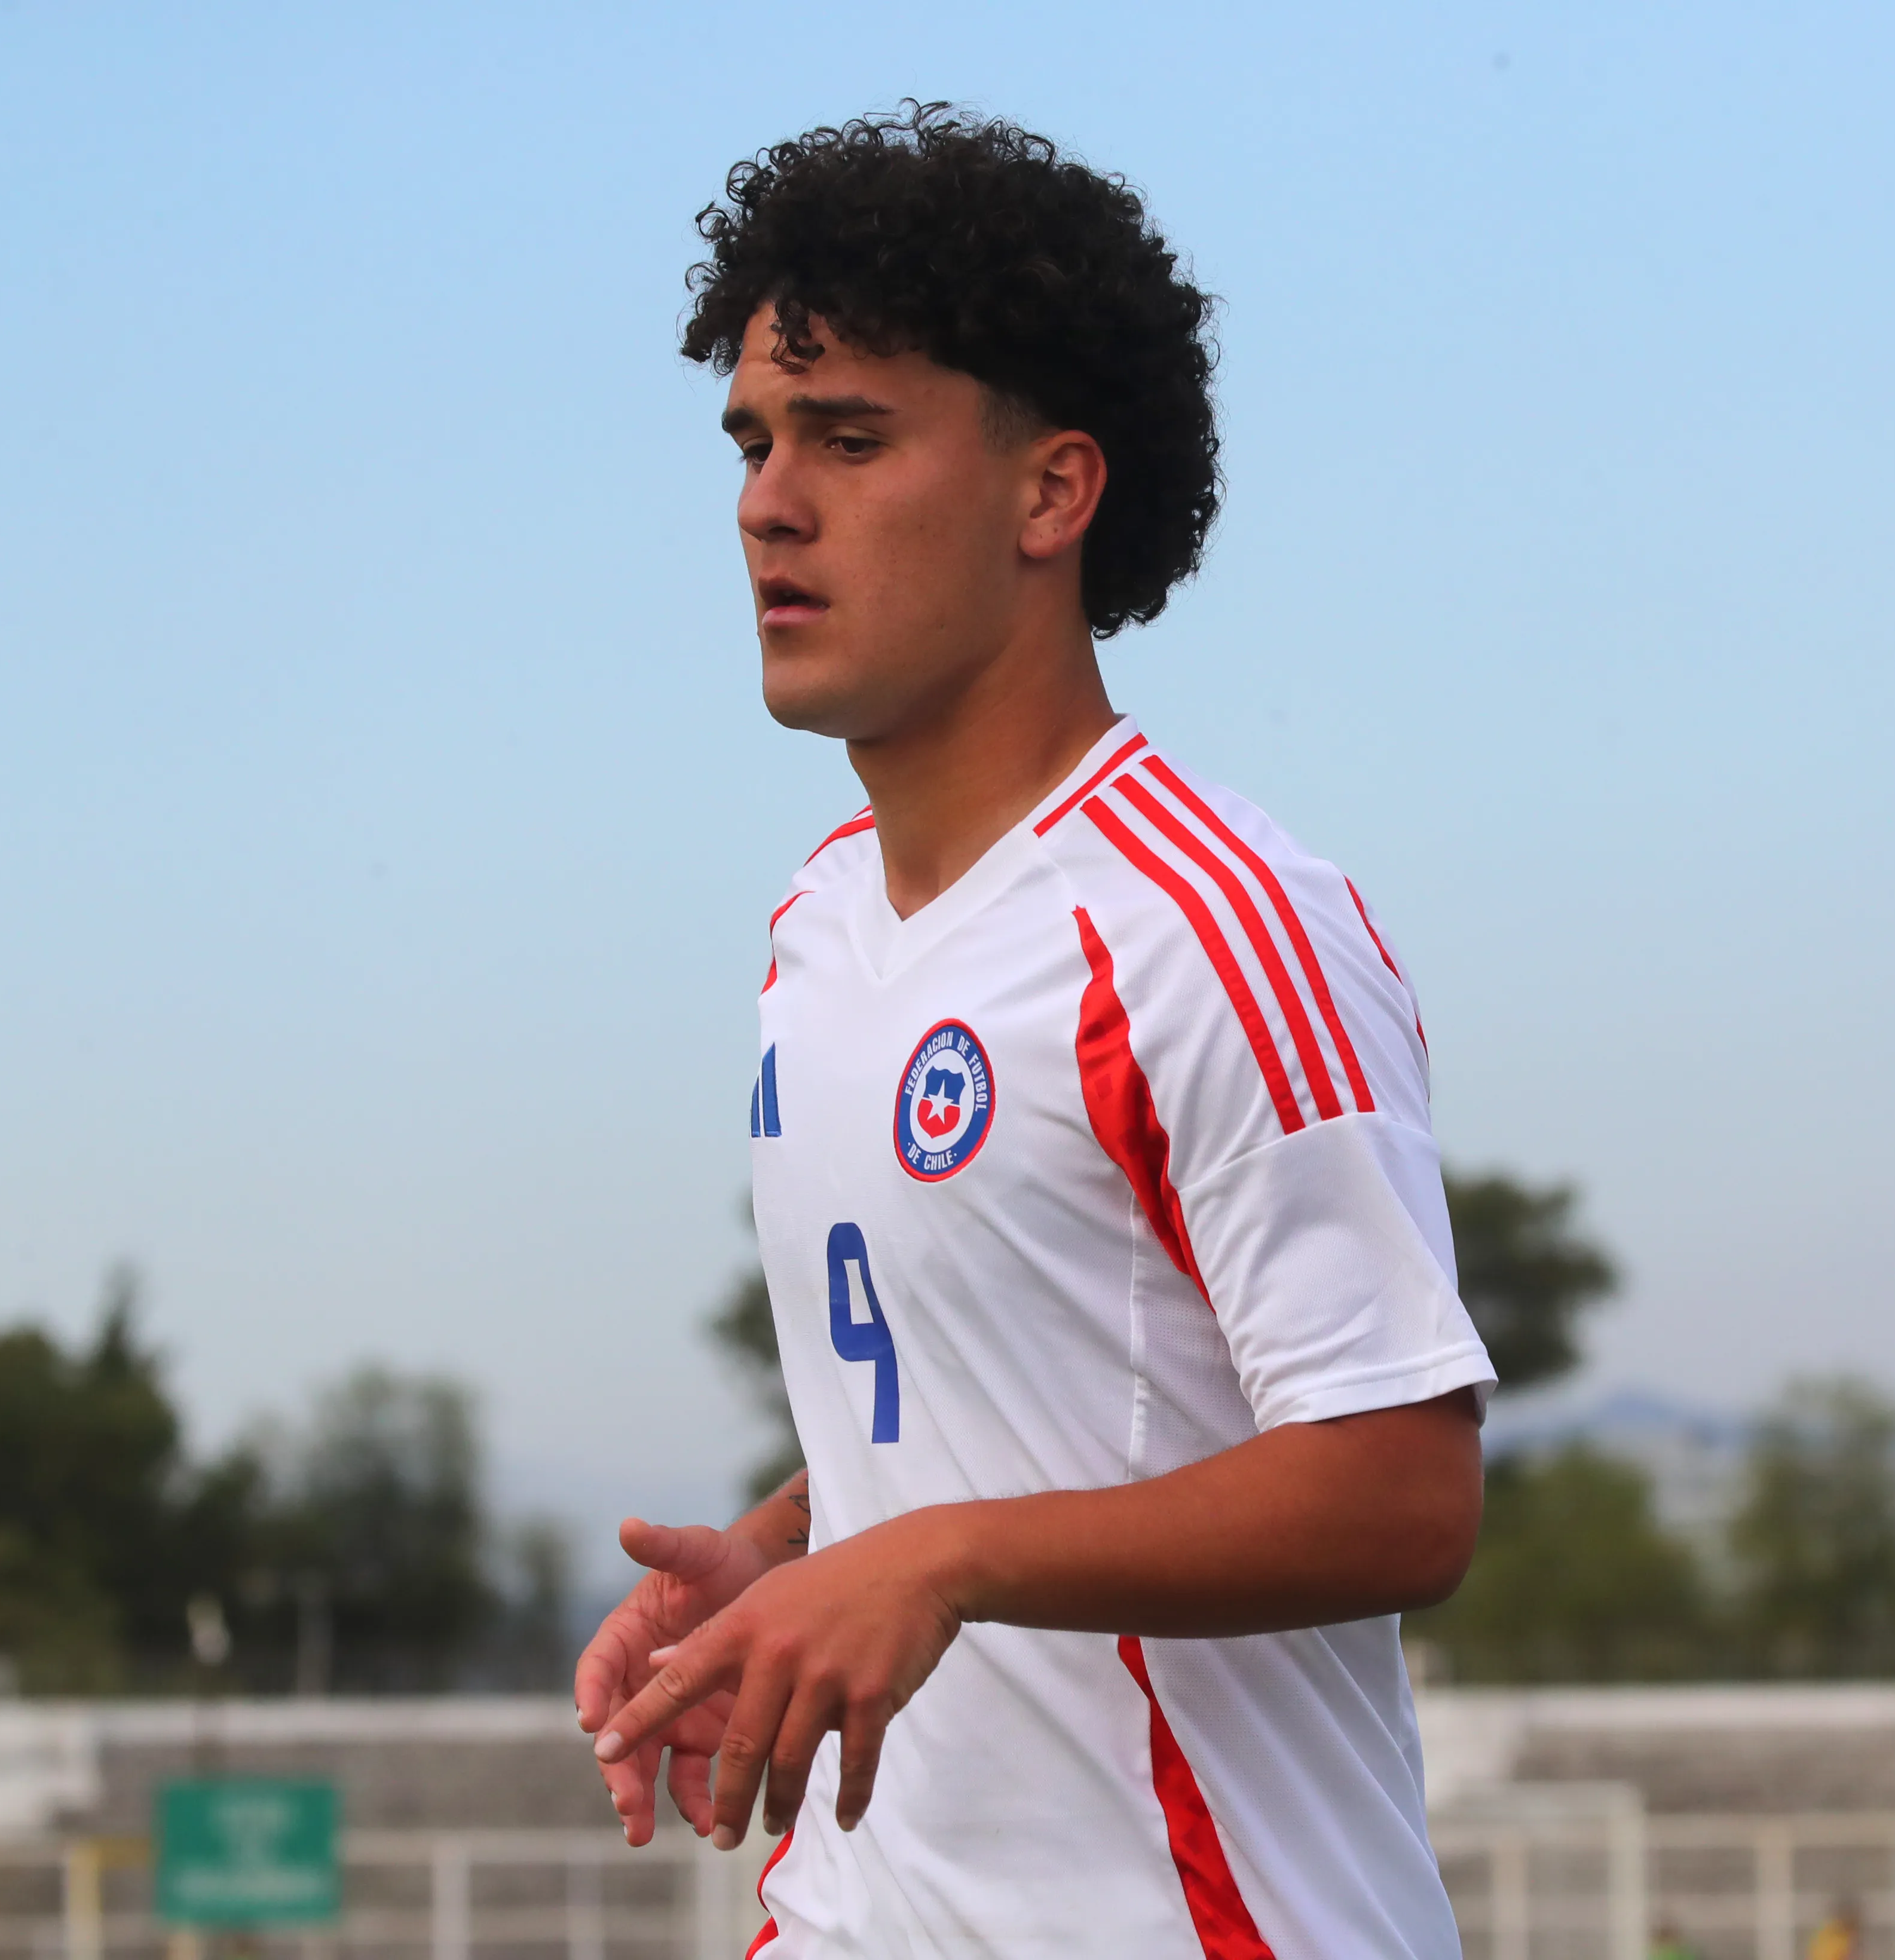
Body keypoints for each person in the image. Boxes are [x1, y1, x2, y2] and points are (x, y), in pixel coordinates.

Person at [572, 106, 1496, 1958]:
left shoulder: (1213, 925)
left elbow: (1401, 1490)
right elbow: (1029, 1378)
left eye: (848, 439)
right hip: (861, 1916)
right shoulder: (819, 921)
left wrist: (938, 1559)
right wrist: (800, 1550)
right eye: (754, 441)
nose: (768, 502)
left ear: (1050, 494)